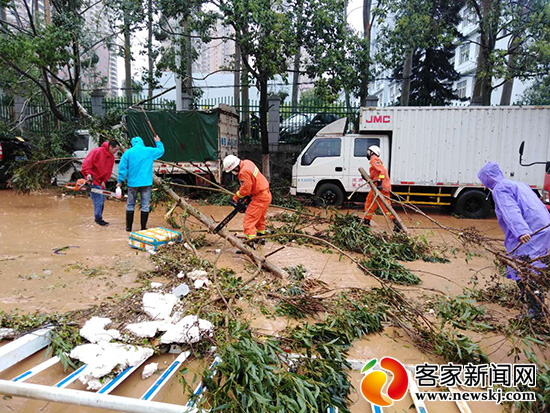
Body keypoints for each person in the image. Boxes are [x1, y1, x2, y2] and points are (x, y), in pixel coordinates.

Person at [478, 162, 550, 319]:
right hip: (541, 228)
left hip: (530, 232)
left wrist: (521, 231)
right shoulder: (517, 184)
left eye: (483, 179)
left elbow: (511, 211)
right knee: (530, 265)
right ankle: (527, 296)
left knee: (526, 268)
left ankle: (536, 310)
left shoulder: (500, 189)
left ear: (488, 178)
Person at [117, 135, 164, 232]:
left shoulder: (128, 153)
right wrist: (158, 141)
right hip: (146, 183)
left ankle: (128, 227)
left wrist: (119, 181)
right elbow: (161, 151)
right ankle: (143, 228)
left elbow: (122, 168)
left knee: (130, 205)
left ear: (132, 144)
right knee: (145, 205)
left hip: (132, 183)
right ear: (142, 142)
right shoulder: (149, 151)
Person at [223, 155, 271, 245]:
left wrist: (236, 197)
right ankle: (261, 239)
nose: (233, 172)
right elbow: (253, 182)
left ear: (235, 167)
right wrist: (248, 198)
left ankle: (249, 244)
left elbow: (245, 189)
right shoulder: (248, 162)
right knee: (260, 219)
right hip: (266, 194)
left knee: (248, 222)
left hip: (259, 198)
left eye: (233, 170)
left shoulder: (243, 172)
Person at [81, 140, 120, 226]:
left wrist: (104, 181)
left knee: (102, 200)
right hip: (93, 179)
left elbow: (108, 170)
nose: (116, 152)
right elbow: (87, 163)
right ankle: (98, 219)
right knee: (98, 200)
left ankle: (98, 218)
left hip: (101, 181)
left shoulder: (111, 157)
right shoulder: (97, 151)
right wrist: (88, 174)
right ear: (110, 147)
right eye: (116, 149)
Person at [363, 145, 401, 233]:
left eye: (369, 151)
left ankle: (366, 221)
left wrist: (379, 182)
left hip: (380, 187)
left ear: (372, 152)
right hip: (381, 186)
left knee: (370, 202)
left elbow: (382, 172)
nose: (367, 153)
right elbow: (377, 173)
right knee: (385, 206)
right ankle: (396, 223)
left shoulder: (374, 159)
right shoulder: (375, 160)